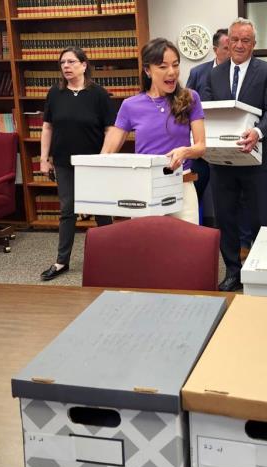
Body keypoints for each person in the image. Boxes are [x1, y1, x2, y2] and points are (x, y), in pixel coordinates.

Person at [202, 17, 267, 292]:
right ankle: (233, 272)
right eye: (234, 40)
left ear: (254, 44)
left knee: (258, 217)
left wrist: (258, 132)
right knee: (226, 217)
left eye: (245, 40)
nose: (238, 45)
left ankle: (259, 270)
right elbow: (209, 111)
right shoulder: (214, 73)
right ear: (227, 42)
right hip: (223, 159)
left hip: (256, 157)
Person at [101, 38, 206, 224]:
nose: (172, 72)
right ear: (148, 70)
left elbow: (201, 147)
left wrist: (185, 151)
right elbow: (108, 153)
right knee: (148, 247)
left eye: (175, 65)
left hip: (182, 184)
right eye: (163, 67)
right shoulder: (130, 106)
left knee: (187, 247)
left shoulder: (191, 98)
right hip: (145, 187)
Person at [40, 46, 117, 281]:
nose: (66, 66)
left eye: (71, 62)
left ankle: (112, 259)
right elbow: (47, 126)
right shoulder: (55, 93)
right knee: (67, 211)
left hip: (94, 163)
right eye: (62, 63)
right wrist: (44, 159)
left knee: (102, 211)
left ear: (84, 65)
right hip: (64, 162)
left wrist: (104, 158)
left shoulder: (99, 95)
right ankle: (61, 261)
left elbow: (110, 129)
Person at [186, 28, 229, 204]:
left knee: (227, 194)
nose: (231, 51)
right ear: (215, 49)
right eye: (226, 47)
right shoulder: (198, 72)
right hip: (201, 141)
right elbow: (185, 105)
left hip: (227, 143)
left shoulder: (238, 74)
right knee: (195, 191)